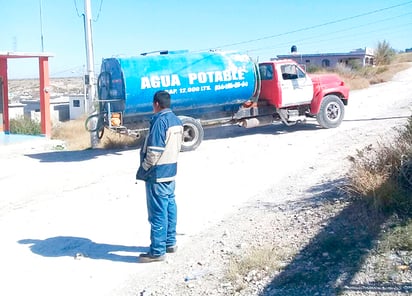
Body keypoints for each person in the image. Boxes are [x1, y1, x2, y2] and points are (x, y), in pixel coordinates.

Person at [136, 90, 183, 263]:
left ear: (156, 104)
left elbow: (154, 152)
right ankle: (170, 243)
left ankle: (157, 251)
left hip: (157, 174)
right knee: (170, 206)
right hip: (171, 171)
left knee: (157, 212)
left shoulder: (160, 122)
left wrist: (144, 169)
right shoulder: (176, 120)